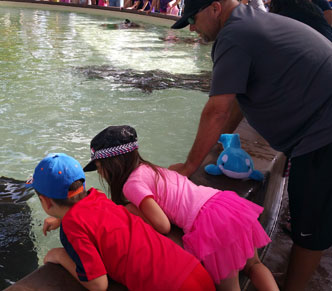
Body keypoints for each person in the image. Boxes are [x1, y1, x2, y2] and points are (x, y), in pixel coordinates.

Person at [170, 0, 332, 290]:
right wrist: (220, 143)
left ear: (215, 8)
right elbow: (235, 104)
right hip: (320, 123)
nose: (192, 27)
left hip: (324, 132)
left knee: (311, 226)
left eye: (193, 18)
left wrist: (190, 166)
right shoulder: (251, 22)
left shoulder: (234, 35)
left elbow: (217, 110)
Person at [83, 125, 278, 291]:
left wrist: (132, 211)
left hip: (208, 223)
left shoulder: (131, 186)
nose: (100, 171)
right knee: (254, 265)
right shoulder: (154, 169)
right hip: (223, 204)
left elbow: (163, 226)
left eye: (99, 166)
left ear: (112, 164)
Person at [26, 153, 215, 291]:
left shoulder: (72, 227)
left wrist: (59, 256)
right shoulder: (98, 198)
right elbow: (94, 218)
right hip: (196, 272)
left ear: (46, 201)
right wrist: (61, 219)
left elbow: (98, 284)